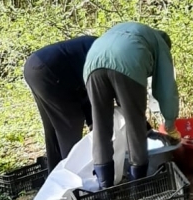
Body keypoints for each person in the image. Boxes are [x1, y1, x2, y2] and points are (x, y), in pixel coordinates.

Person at [83, 22, 179, 188]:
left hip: (92, 63)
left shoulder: (134, 31)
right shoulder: (160, 44)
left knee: (100, 126)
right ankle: (138, 184)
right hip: (128, 61)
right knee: (135, 125)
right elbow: (165, 87)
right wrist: (170, 123)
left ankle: (105, 186)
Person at [24, 35, 97, 172]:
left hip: (34, 65)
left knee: (52, 127)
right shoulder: (107, 59)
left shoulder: (99, 48)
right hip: (51, 70)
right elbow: (97, 97)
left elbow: (90, 97)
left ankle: (56, 177)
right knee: (69, 125)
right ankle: (74, 180)